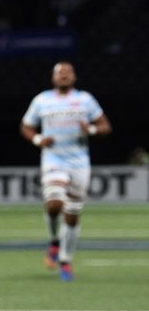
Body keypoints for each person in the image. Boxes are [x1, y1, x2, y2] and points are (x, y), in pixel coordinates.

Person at [20, 61, 111, 281]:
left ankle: (65, 260)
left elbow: (105, 126)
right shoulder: (42, 100)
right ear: (53, 78)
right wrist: (39, 139)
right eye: (59, 72)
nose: (64, 75)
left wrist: (89, 129)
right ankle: (54, 240)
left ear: (74, 77)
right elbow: (26, 126)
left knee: (72, 215)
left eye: (68, 72)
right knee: (54, 204)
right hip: (53, 158)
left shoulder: (85, 100)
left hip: (79, 162)